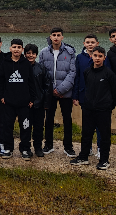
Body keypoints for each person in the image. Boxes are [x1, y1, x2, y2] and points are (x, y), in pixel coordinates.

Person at [70, 46, 116, 170]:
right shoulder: (87, 71)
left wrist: (108, 106)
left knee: (104, 135)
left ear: (104, 58)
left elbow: (115, 92)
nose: (97, 58)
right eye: (95, 55)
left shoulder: (109, 74)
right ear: (91, 56)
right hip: (88, 108)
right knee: (86, 133)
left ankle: (104, 160)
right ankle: (83, 157)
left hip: (103, 110)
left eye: (100, 56)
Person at [37, 27, 76, 157]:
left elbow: (72, 73)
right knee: (48, 119)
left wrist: (60, 89)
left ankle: (68, 147)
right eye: (54, 35)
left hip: (65, 92)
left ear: (62, 37)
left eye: (58, 35)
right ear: (50, 36)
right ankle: (48, 145)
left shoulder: (70, 52)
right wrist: (51, 89)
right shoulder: (43, 52)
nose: (56, 37)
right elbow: (41, 72)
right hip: (49, 93)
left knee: (67, 119)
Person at [0, 39, 37, 159]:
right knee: (7, 126)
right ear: (10, 48)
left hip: (24, 103)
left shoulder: (26, 64)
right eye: (14, 47)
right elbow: (0, 81)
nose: (16, 49)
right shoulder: (4, 62)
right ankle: (8, 148)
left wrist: (32, 98)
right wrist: (1, 96)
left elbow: (31, 82)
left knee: (25, 127)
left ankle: (25, 149)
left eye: (19, 47)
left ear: (22, 50)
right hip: (8, 102)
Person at [72, 34, 111, 159]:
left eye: (92, 42)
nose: (90, 44)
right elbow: (77, 77)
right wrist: (75, 95)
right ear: (84, 44)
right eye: (87, 42)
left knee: (101, 127)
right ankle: (87, 149)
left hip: (100, 98)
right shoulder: (79, 58)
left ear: (97, 43)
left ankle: (100, 148)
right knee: (87, 126)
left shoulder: (103, 58)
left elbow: (108, 77)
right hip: (85, 96)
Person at [25, 43, 52, 158]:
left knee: (39, 127)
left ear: (36, 55)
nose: (31, 55)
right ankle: (25, 147)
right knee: (26, 127)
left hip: (39, 104)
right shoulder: (21, 67)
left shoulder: (41, 68)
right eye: (28, 53)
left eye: (33, 53)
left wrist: (45, 102)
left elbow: (47, 86)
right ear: (25, 54)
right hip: (25, 104)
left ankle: (38, 147)